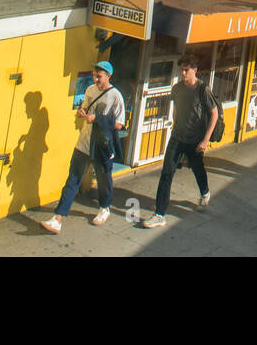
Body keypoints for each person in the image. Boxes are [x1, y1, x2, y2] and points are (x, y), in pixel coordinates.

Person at [42, 60, 126, 233]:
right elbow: (85, 108)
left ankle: (105, 207)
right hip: (84, 143)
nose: (96, 79)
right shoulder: (90, 90)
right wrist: (81, 113)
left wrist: (98, 119)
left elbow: (119, 124)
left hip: (103, 145)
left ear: (108, 76)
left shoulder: (116, 96)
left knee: (103, 180)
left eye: (99, 77)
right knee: (72, 179)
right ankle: (58, 218)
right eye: (95, 75)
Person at [144, 55, 218, 228]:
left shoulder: (203, 90)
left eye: (187, 70)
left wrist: (205, 140)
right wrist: (176, 125)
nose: (183, 73)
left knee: (197, 168)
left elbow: (214, 114)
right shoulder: (177, 88)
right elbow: (176, 110)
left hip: (195, 140)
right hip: (177, 137)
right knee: (167, 173)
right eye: (182, 70)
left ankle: (205, 192)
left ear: (195, 70)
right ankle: (159, 214)